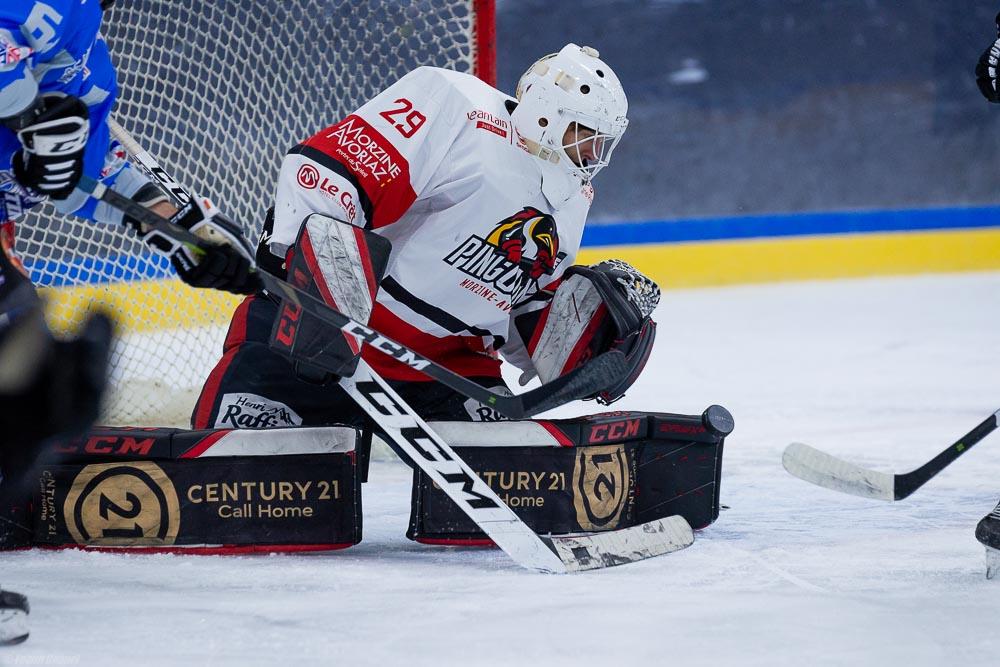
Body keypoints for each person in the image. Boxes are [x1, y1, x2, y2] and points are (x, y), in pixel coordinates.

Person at [192, 43, 659, 433]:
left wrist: (584, 344)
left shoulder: (575, 197)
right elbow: (326, 177)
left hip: (450, 373)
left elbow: (518, 309)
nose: (593, 152)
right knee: (230, 486)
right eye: (585, 133)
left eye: (601, 141)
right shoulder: (458, 107)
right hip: (311, 341)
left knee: (526, 490)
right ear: (545, 114)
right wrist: (314, 299)